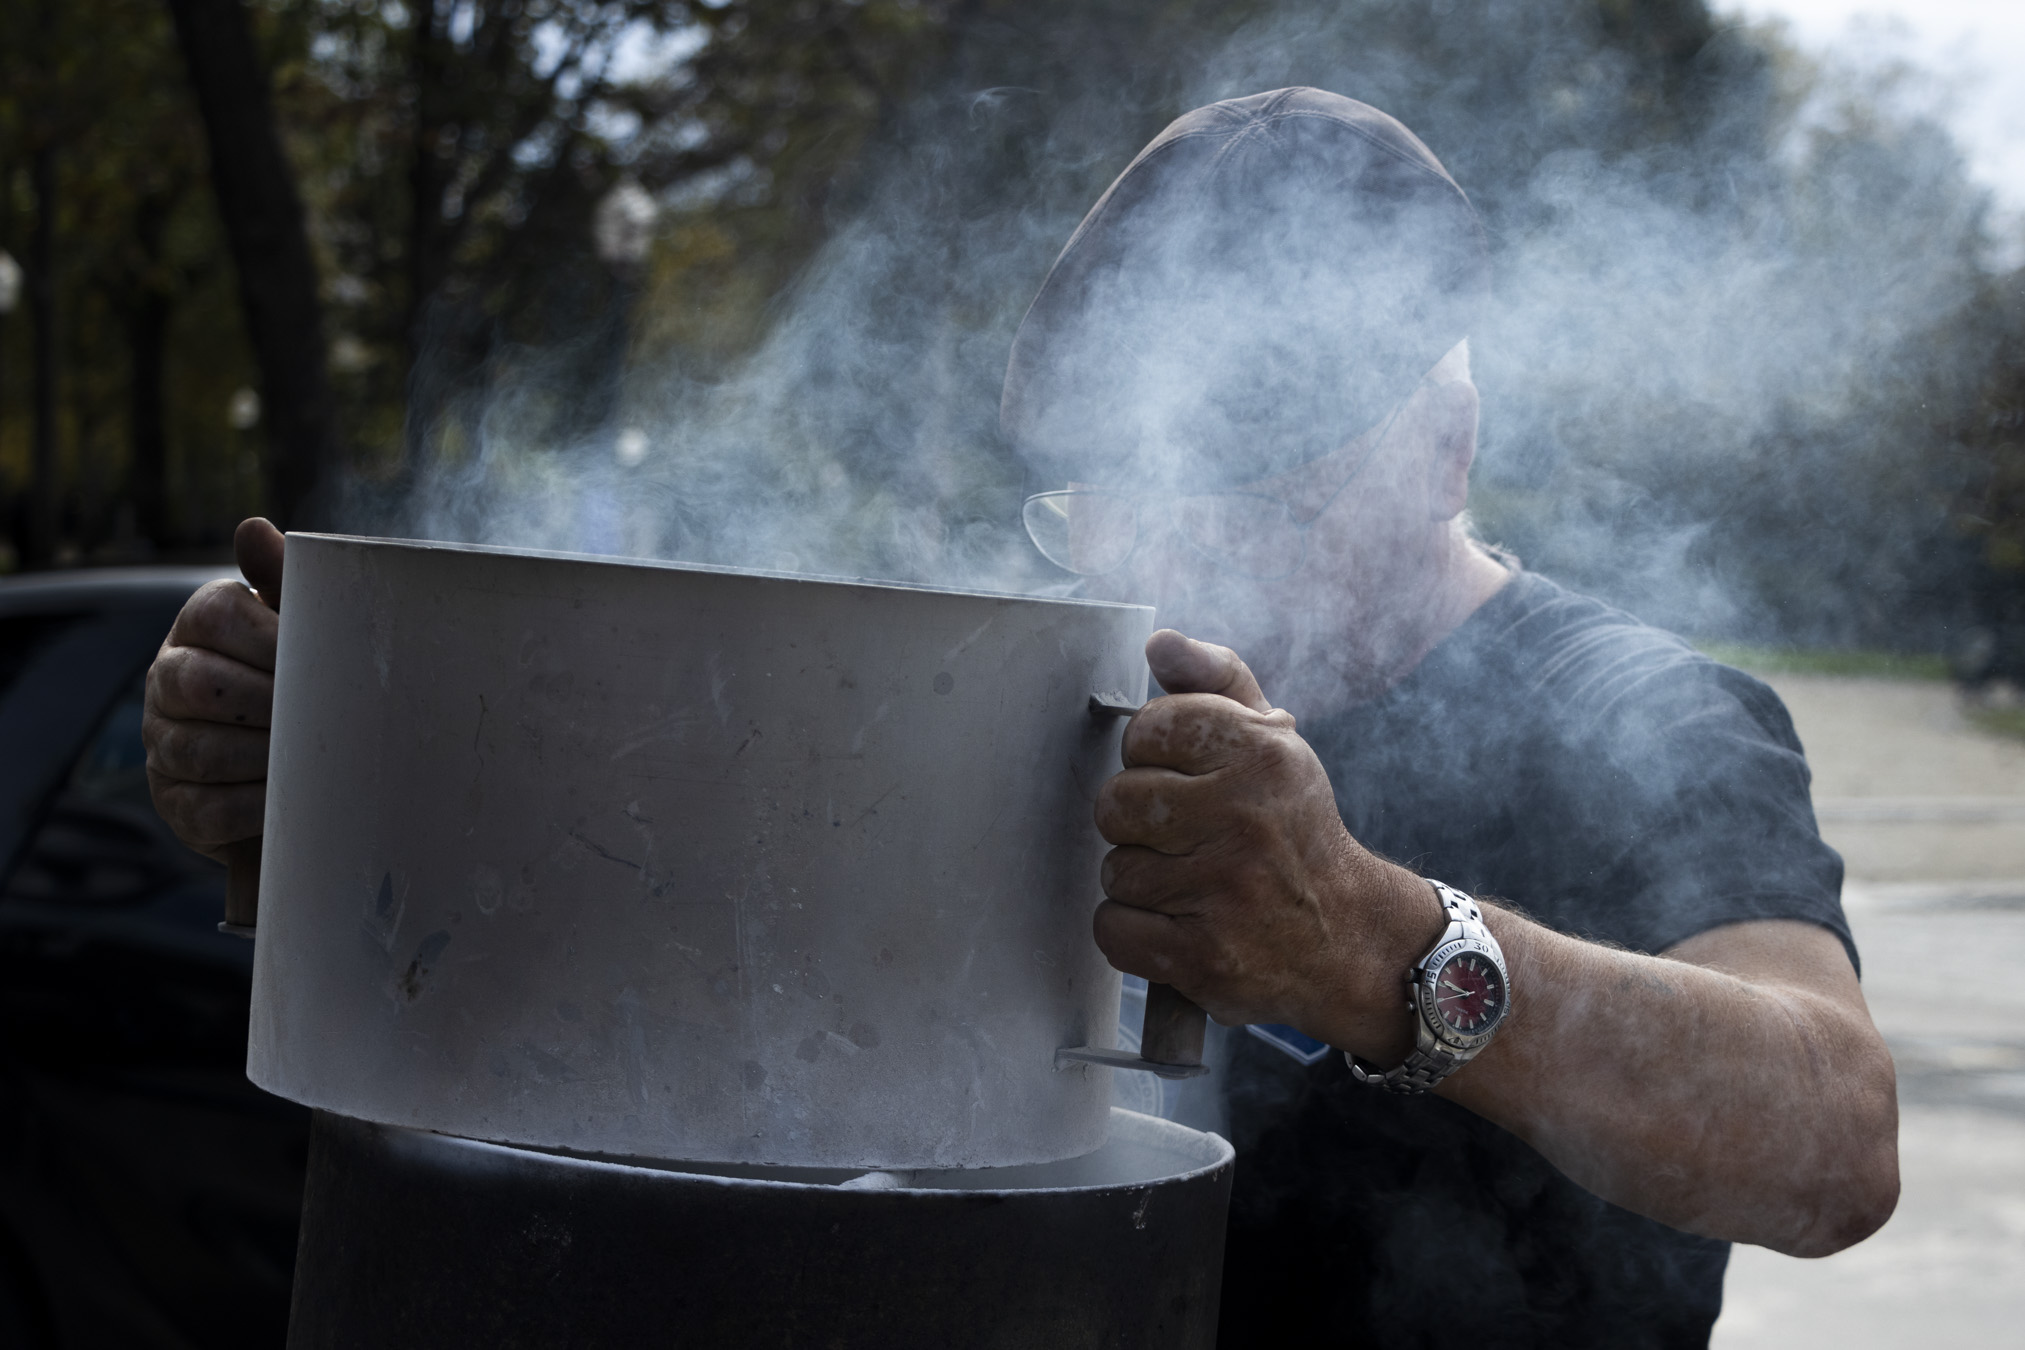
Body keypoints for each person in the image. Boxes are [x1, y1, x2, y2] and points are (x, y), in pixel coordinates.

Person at [146, 88, 1896, 1349]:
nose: (1154, 557)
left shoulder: (1643, 712)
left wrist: (1368, 938)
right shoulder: (1062, 694)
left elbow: (1832, 1141)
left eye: (1239, 495)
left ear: (1437, 444)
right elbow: (695, 995)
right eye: (1105, 501)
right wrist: (336, 790)